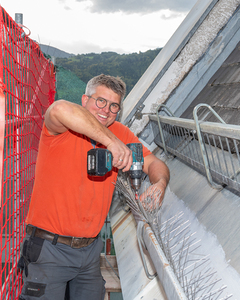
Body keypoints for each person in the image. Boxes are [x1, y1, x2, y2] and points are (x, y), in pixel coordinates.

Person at [18, 74, 170, 300]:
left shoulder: (121, 133)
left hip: (89, 254)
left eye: (114, 105)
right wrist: (111, 142)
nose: (106, 110)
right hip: (50, 250)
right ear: (84, 99)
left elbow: (155, 164)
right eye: (100, 101)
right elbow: (60, 108)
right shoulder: (60, 128)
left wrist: (160, 184)